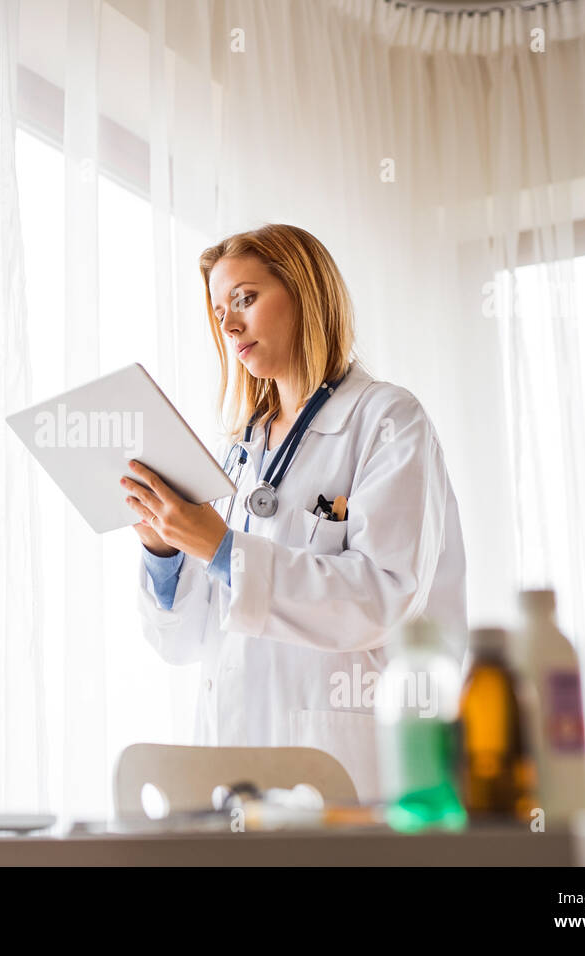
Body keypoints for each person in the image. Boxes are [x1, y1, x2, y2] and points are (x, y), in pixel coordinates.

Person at [120, 223, 467, 803]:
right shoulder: (239, 449)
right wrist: (164, 548)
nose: (229, 326)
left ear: (306, 293)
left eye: (246, 299)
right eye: (219, 310)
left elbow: (385, 597)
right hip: (232, 769)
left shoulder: (386, 420)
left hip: (343, 765)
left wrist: (224, 549)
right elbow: (186, 643)